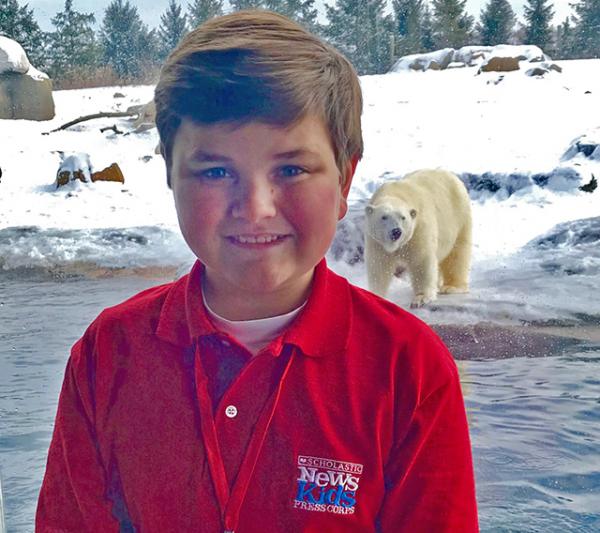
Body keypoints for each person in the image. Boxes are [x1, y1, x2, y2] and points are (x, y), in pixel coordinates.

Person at [36, 10, 478, 533]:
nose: (256, 208)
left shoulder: (410, 368)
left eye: (291, 169)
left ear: (344, 180)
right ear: (171, 176)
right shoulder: (108, 353)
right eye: (216, 171)